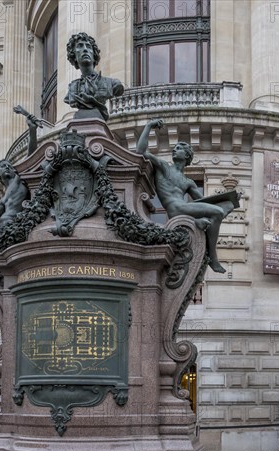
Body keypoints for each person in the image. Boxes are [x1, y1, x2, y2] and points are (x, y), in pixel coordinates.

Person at [136, 118, 236, 273]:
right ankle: (212, 256)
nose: (174, 150)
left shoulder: (188, 182)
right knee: (218, 212)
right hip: (175, 208)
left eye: (179, 148)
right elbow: (141, 152)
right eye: (174, 148)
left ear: (187, 156)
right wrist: (149, 126)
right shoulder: (164, 167)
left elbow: (203, 201)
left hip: (184, 209)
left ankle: (199, 224)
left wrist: (228, 198)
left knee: (225, 206)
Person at [64, 32, 124, 121]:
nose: (85, 50)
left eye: (88, 46)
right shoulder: (72, 88)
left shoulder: (111, 83)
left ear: (94, 54)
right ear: (74, 56)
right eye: (80, 46)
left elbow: (118, 88)